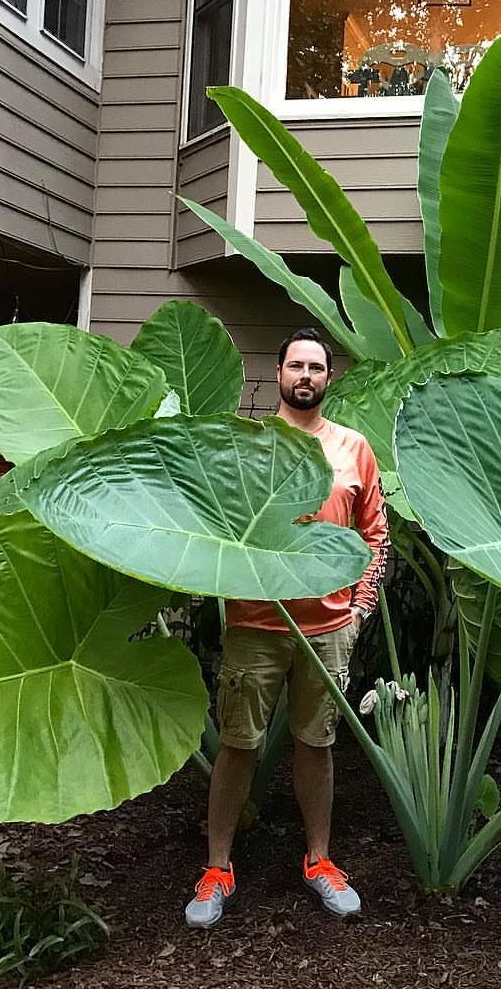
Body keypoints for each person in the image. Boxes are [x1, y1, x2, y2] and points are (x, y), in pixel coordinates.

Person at [185, 328, 389, 928]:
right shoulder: (248, 446)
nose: (305, 375)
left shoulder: (353, 448)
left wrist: (361, 606)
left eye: (317, 368)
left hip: (327, 626)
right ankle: (217, 868)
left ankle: (320, 860)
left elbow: (374, 535)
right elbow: (219, 525)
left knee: (317, 744)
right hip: (256, 622)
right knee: (238, 746)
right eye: (296, 365)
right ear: (277, 374)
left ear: (329, 379)